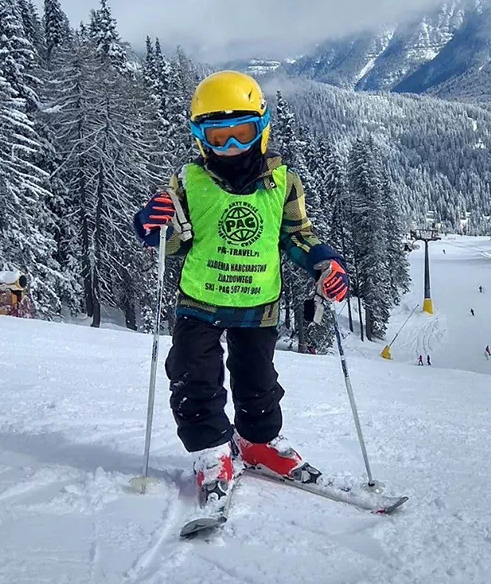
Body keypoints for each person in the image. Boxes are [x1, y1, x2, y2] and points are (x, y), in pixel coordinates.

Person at [133, 71, 349, 503]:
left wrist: (324, 262)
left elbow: (296, 234)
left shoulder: (283, 182)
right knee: (194, 377)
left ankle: (258, 442)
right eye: (219, 137)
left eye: (242, 133)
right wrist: (151, 222)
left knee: (259, 379)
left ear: (262, 128)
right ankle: (214, 450)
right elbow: (172, 239)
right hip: (200, 300)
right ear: (200, 138)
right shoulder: (189, 181)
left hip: (259, 303)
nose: (231, 146)